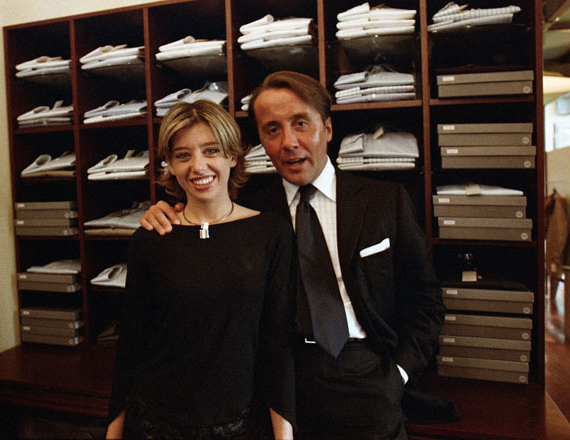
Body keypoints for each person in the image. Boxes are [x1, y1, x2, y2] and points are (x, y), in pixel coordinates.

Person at [141, 71, 445, 440]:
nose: (288, 142)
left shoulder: (385, 201)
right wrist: (165, 214)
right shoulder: (248, 212)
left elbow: (425, 300)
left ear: (327, 128)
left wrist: (398, 374)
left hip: (365, 376)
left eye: (301, 123)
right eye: (272, 130)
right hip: (275, 386)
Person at [106, 100, 295, 439]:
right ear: (169, 164)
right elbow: (131, 341)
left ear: (232, 155)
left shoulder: (271, 233)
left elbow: (277, 343)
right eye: (183, 155)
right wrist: (113, 431)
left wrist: (285, 435)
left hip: (239, 422)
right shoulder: (150, 237)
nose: (198, 166)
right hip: (155, 422)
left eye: (211, 150)